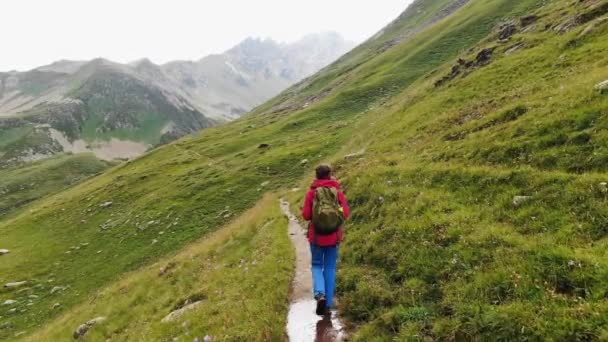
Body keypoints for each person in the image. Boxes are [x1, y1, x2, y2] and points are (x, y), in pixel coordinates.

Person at [302, 164, 349, 316]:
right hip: (333, 236)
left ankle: (320, 294)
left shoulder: (311, 193)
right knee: (330, 268)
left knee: (316, 266)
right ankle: (328, 304)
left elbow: (306, 215)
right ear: (330, 175)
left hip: (316, 237)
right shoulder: (337, 192)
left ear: (316, 176)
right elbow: (345, 214)